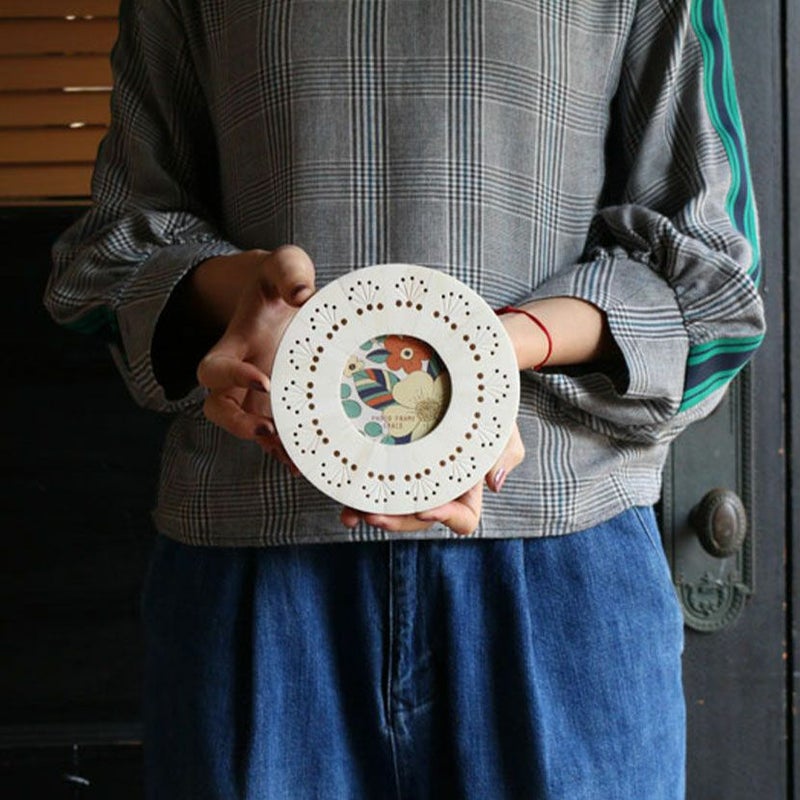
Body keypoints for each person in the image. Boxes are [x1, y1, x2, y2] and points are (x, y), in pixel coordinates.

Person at [45, 0, 765, 797]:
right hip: (256, 557)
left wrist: (490, 353)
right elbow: (108, 256)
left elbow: (713, 284)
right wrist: (244, 293)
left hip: (560, 564)